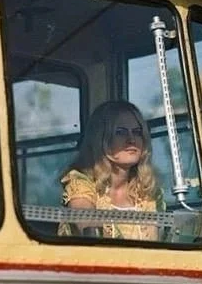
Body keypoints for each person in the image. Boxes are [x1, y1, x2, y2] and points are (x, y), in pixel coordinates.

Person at [58, 100, 164, 240]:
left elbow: (155, 246)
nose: (131, 139)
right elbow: (87, 225)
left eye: (137, 132)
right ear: (101, 138)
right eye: (120, 132)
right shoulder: (80, 182)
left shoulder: (147, 191)